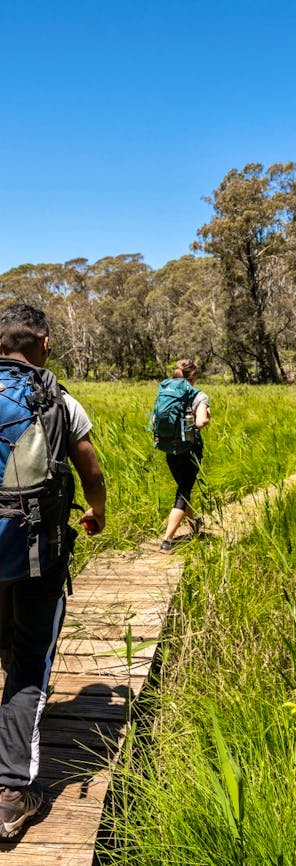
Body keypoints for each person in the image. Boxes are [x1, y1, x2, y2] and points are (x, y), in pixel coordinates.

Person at [0, 303, 106, 839]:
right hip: (38, 556)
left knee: (6, 647)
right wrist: (97, 511)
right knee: (28, 663)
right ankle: (13, 792)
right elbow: (90, 467)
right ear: (41, 342)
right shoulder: (59, 400)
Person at [160, 358, 210, 554]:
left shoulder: (166, 391)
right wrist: (207, 414)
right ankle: (167, 540)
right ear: (194, 376)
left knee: (184, 489)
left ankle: (193, 523)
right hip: (190, 450)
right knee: (183, 493)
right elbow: (200, 422)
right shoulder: (199, 395)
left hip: (169, 449)